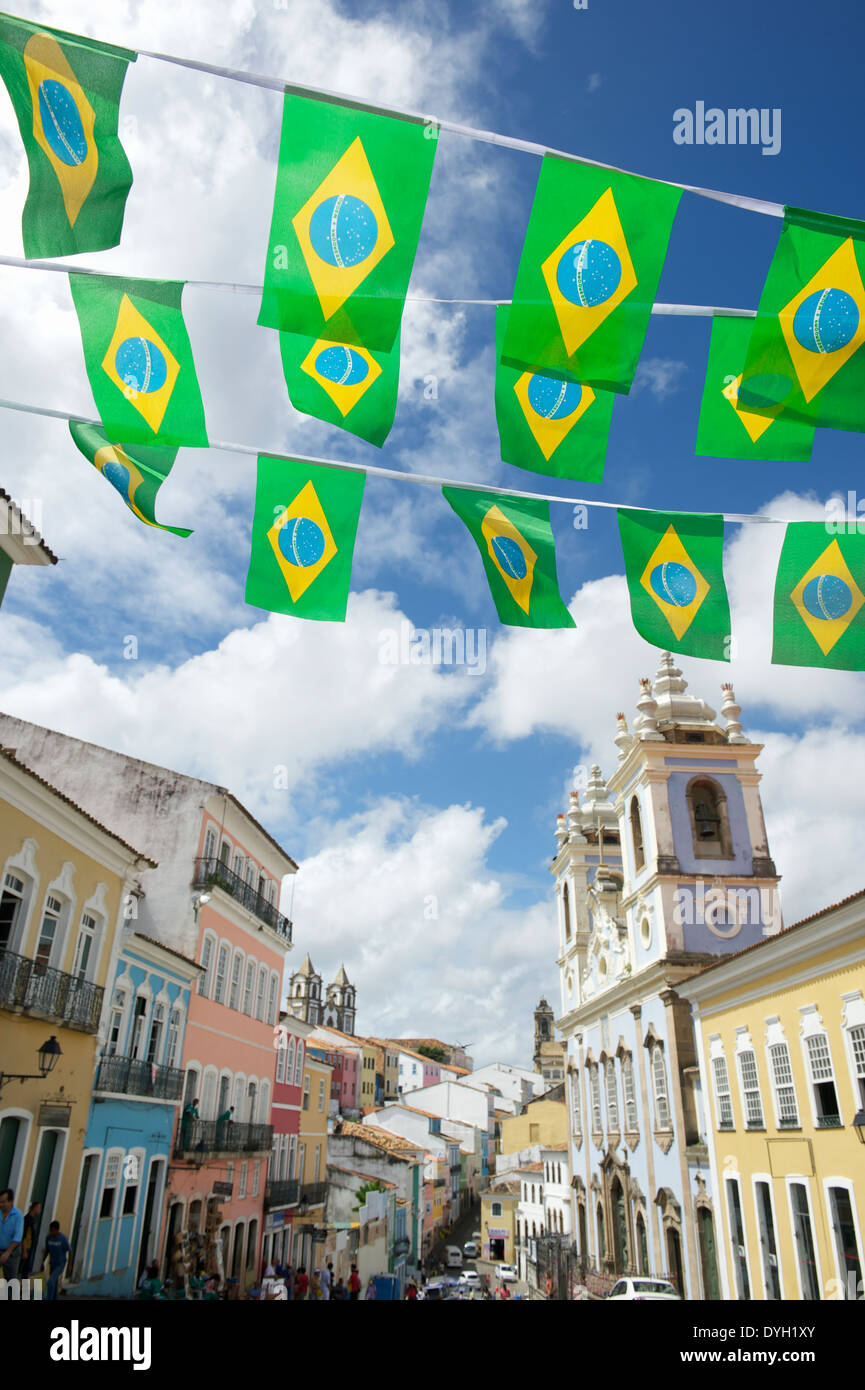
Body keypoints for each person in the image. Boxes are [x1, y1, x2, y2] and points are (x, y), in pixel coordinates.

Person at [41, 1222, 71, 1300]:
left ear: (57, 1230)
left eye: (53, 1231)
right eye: (50, 1230)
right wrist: (42, 1262)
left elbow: (70, 1251)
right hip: (52, 1263)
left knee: (51, 1281)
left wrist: (69, 1265)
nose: (51, 1232)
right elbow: (47, 1250)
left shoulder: (63, 1239)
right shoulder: (48, 1238)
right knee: (54, 1283)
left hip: (60, 1264)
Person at [0, 1188, 23, 1280]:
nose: (0, 1204)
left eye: (3, 1202)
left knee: (11, 1280)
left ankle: (11, 1294)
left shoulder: (18, 1215)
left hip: (12, 1252)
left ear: (10, 1202)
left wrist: (7, 1252)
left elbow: (18, 1237)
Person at [19, 1201, 41, 1278]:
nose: (40, 1210)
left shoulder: (33, 1220)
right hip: (26, 1248)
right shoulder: (27, 1219)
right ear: (34, 1208)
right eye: (39, 1208)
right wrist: (24, 1251)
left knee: (26, 1270)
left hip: (30, 1248)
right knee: (22, 1270)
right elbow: (23, 1236)